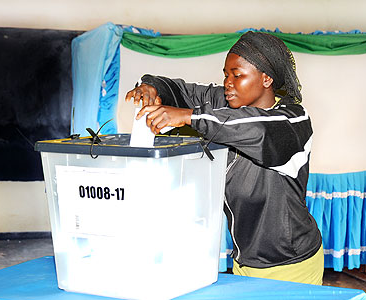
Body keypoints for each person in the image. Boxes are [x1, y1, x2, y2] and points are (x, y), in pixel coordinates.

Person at [125, 31, 324, 285]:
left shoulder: (292, 120)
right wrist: (152, 88)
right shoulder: (226, 104)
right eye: (226, 75)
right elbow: (180, 91)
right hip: (245, 261)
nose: (228, 82)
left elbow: (256, 128)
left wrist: (190, 117)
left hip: (291, 264)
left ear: (266, 78)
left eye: (237, 75)